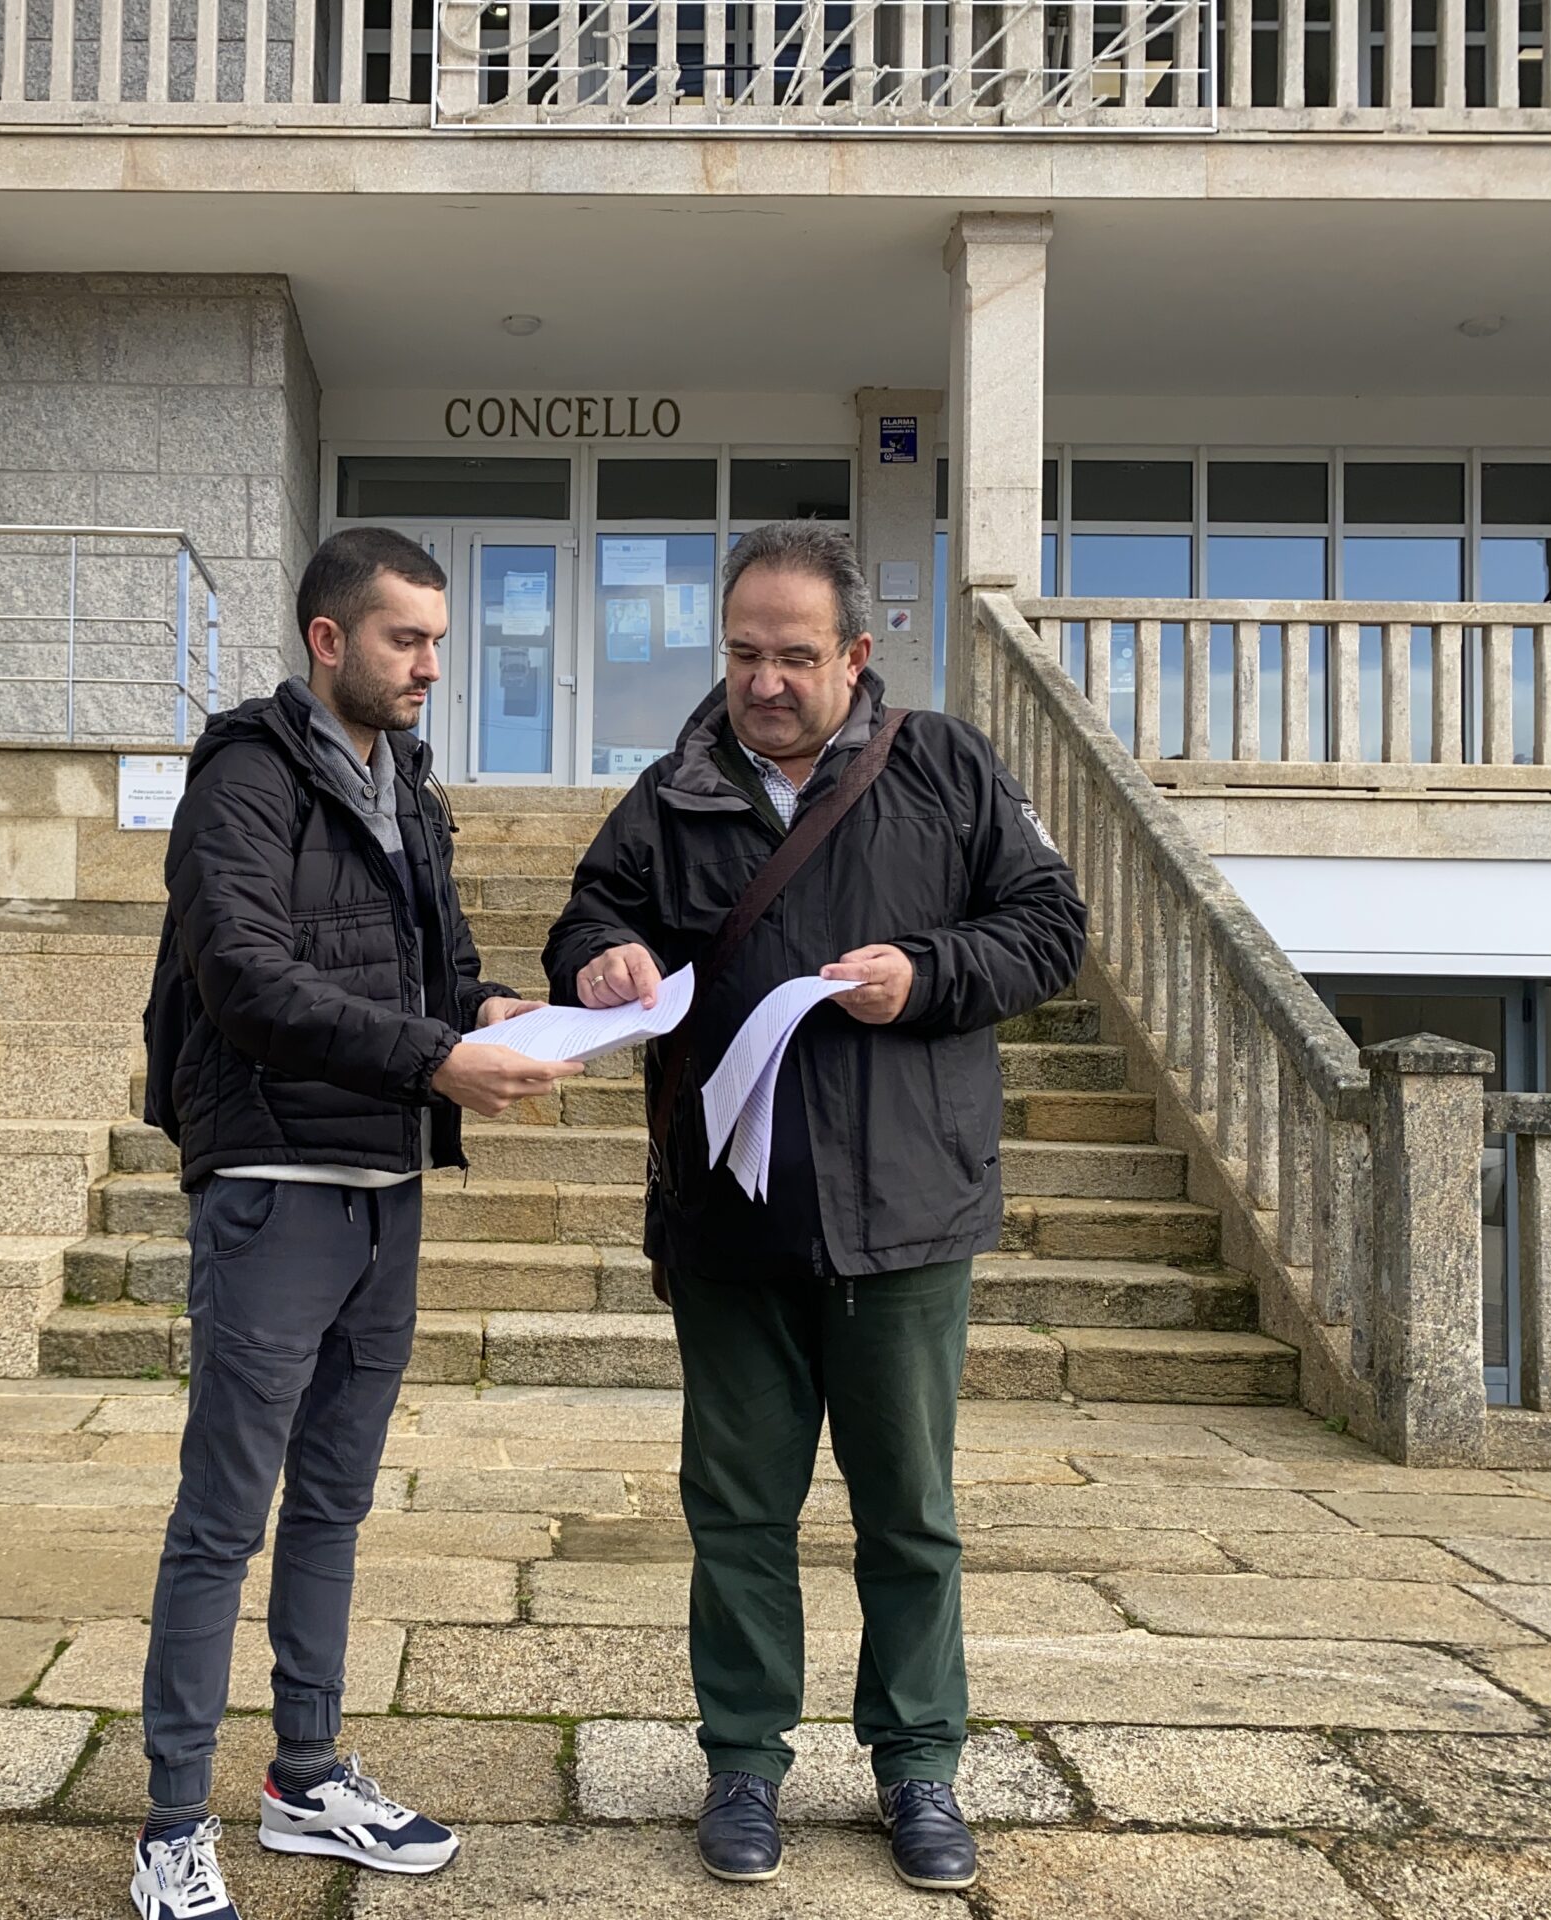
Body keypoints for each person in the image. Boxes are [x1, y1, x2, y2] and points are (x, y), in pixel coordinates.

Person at [542, 520, 1086, 1895]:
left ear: (856, 654)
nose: (764, 681)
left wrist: (930, 973)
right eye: (742, 653)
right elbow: (590, 910)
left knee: (908, 1511)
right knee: (737, 1510)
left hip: (905, 1212)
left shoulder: (947, 768)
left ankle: (918, 1768)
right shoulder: (673, 788)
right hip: (733, 1217)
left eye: (793, 656)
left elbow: (1049, 926)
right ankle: (742, 1762)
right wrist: (603, 954)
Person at [132, 526, 580, 1920]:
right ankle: (166, 1829)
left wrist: (496, 1011)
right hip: (274, 1186)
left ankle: (309, 1773)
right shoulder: (245, 783)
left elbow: (439, 970)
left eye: (439, 640)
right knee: (225, 1515)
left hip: (388, 1190)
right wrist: (435, 1058)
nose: (433, 664)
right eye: (407, 639)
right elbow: (248, 980)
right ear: (329, 640)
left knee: (333, 1501)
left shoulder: (409, 787)